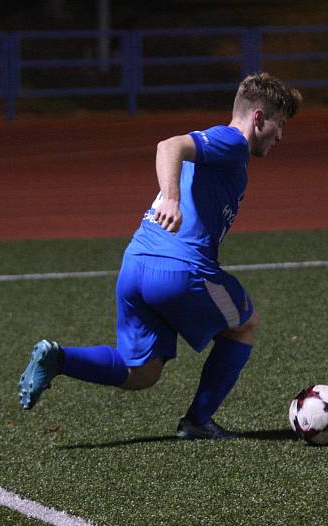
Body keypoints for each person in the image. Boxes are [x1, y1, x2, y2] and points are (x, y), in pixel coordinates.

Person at [18, 72, 302, 440]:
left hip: (135, 265)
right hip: (179, 271)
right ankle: (198, 421)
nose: (281, 136)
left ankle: (58, 358)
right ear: (259, 118)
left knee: (143, 372)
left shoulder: (223, 152)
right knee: (244, 323)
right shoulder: (231, 140)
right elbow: (169, 145)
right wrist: (170, 197)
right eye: (280, 125)